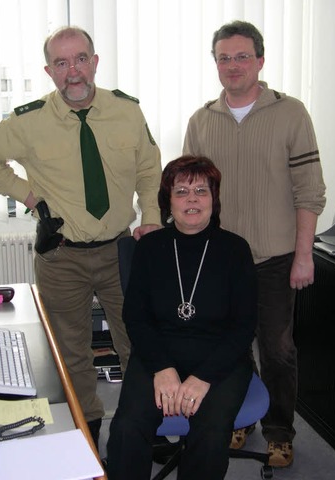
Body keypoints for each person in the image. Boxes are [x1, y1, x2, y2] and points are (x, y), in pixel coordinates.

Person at [0, 26, 162, 448]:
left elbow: (149, 168)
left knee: (139, 344)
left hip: (121, 252)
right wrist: (29, 196)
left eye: (80, 59)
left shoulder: (127, 111)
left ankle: (140, 428)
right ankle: (86, 435)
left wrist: (153, 217)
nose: (73, 71)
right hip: (61, 257)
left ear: (94, 62)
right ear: (49, 71)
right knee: (72, 356)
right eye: (61, 62)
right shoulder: (29, 121)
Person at [183, 20, 326, 468]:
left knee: (277, 349)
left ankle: (280, 431)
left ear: (260, 60)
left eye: (242, 56)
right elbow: (189, 191)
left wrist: (304, 256)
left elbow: (310, 191)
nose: (233, 66)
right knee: (230, 347)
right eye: (224, 58)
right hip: (220, 259)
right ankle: (238, 419)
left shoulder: (291, 113)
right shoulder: (202, 120)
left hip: (275, 258)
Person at [106, 155, 258, 480]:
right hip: (158, 352)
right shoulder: (150, 248)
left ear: (213, 199)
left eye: (201, 190)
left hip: (221, 358)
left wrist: (204, 378)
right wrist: (161, 369)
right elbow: (135, 317)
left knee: (212, 430)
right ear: (168, 201)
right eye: (181, 191)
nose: (192, 199)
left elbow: (244, 326)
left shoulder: (235, 250)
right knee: (127, 426)